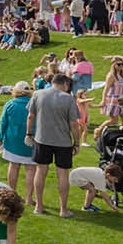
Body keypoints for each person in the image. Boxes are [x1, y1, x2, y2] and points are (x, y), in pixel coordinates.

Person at [26, 73, 81, 218]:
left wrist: (29, 133)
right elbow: (74, 124)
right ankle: (63, 209)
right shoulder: (69, 99)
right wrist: (77, 143)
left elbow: (30, 116)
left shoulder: (38, 94)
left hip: (42, 139)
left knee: (40, 171)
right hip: (63, 142)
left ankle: (38, 206)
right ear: (65, 84)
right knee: (62, 174)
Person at [0, 81, 35, 194]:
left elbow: (3, 122)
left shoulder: (10, 104)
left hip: (13, 140)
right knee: (31, 168)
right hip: (31, 139)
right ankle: (29, 197)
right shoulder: (34, 104)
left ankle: (11, 193)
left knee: (13, 166)